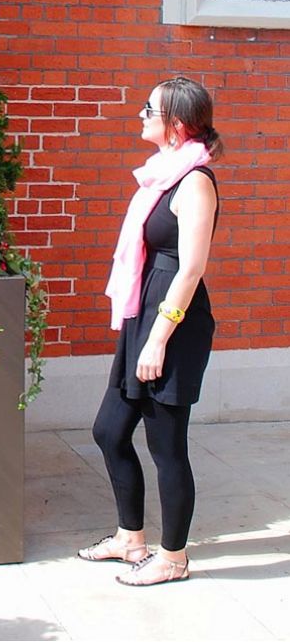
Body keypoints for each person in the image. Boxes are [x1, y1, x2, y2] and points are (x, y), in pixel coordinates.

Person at [78, 75, 223, 586]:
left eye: (149, 110)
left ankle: (174, 558)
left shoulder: (195, 183)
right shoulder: (161, 176)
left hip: (173, 324)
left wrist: (159, 338)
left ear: (177, 125)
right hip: (145, 313)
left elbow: (190, 268)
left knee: (167, 446)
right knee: (109, 430)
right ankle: (129, 538)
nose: (141, 116)